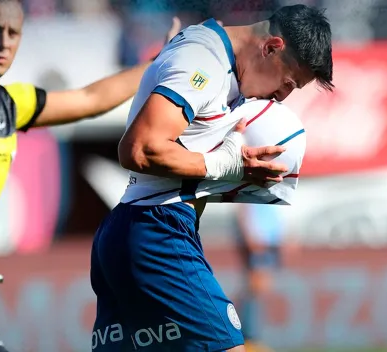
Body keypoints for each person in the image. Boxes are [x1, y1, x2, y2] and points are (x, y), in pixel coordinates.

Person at [90, 4, 333, 351]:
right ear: (271, 47)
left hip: (137, 229)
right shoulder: (205, 60)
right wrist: (224, 166)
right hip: (156, 232)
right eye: (289, 82)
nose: (282, 96)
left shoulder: (215, 54)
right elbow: (139, 148)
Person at [0, 0, 179, 350]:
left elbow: (89, 99)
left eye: (13, 33)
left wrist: (156, 65)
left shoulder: (10, 104)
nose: (3, 42)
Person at [233, 204, 286, 352]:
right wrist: (249, 233)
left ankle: (249, 336)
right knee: (254, 287)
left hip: (269, 240)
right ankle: (247, 336)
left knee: (259, 288)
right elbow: (244, 205)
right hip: (259, 239)